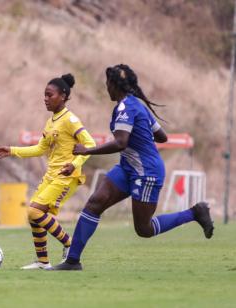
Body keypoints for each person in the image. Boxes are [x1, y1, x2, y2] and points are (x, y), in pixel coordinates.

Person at [52, 64, 214, 271]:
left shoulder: (126, 108)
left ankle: (194, 212)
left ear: (114, 85)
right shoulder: (136, 106)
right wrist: (141, 137)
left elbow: (120, 143)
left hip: (146, 172)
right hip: (128, 168)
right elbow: (162, 136)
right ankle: (72, 261)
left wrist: (86, 151)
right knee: (94, 203)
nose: (106, 88)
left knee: (144, 229)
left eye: (107, 84)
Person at [0, 74, 96, 270]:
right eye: (45, 95)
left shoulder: (71, 120)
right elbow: (40, 149)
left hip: (67, 177)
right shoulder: (51, 122)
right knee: (33, 214)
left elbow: (90, 144)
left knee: (34, 211)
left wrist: (75, 164)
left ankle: (70, 244)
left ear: (63, 96)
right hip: (51, 176)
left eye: (50, 95)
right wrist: (12, 150)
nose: (45, 99)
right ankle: (43, 262)